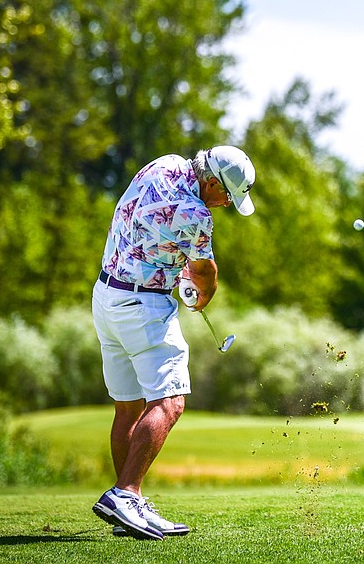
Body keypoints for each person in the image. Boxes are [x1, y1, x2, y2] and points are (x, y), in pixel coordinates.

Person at [90, 145, 255, 541]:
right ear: (212, 182)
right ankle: (125, 493)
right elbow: (204, 271)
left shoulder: (164, 164)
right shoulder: (199, 214)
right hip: (143, 307)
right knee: (170, 401)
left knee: (128, 407)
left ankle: (128, 507)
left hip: (106, 296)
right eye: (228, 197)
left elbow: (152, 226)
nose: (226, 206)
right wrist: (203, 293)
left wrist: (172, 268)